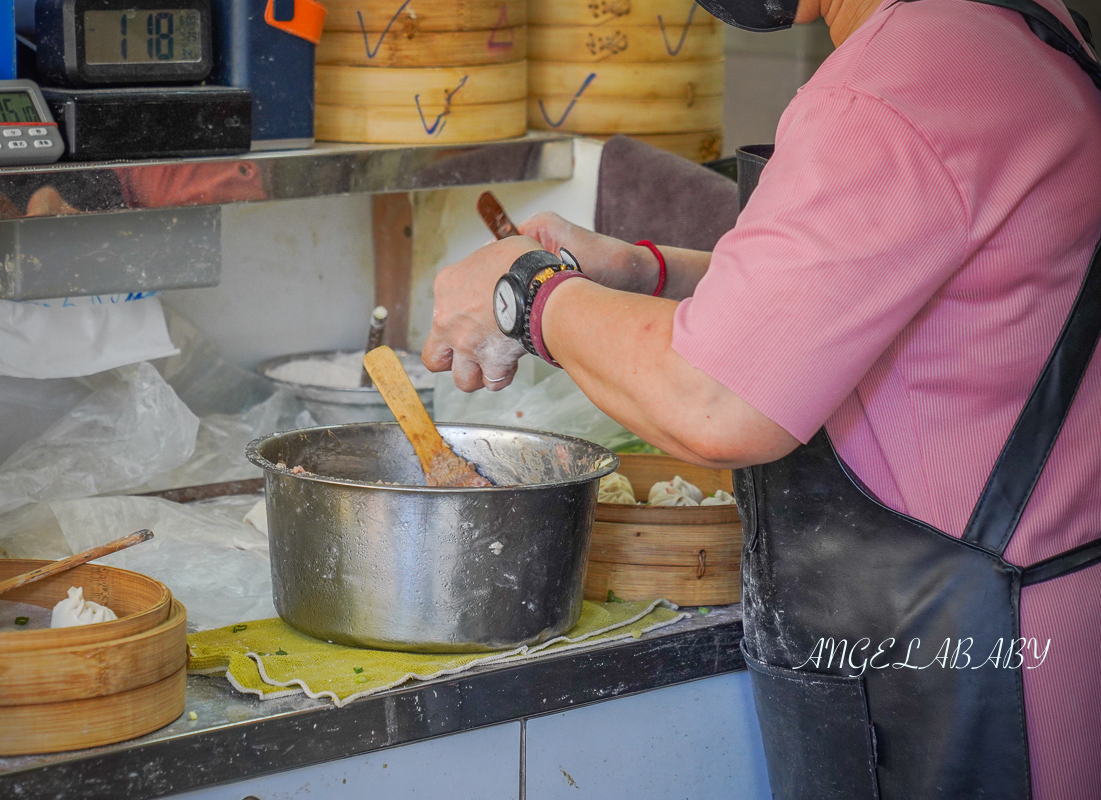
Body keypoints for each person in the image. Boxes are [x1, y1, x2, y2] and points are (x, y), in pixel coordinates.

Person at [421, 0, 1101, 797]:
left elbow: (716, 403)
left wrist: (524, 296)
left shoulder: (895, 81)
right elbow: (885, 285)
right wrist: (652, 275)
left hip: (960, 666)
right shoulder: (1004, 30)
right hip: (1021, 621)